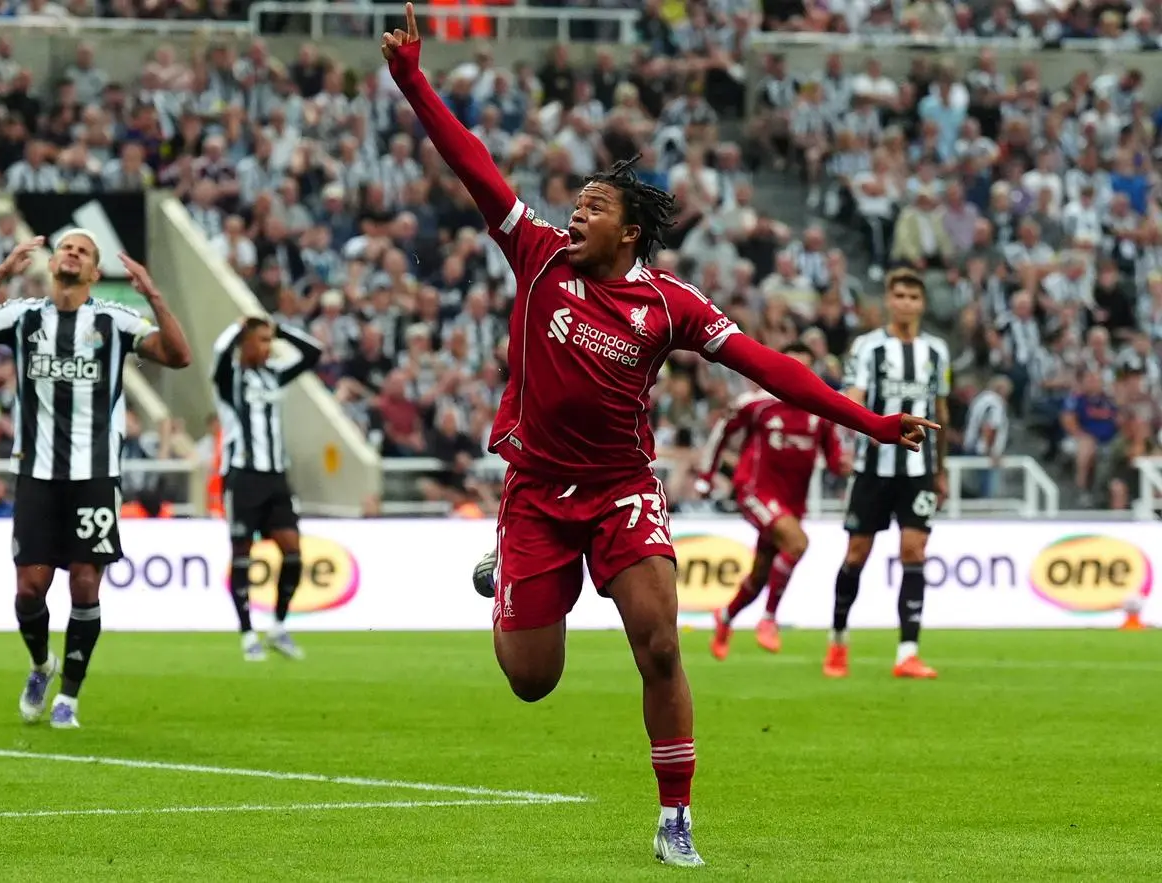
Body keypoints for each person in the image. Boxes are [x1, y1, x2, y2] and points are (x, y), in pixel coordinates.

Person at [382, 5, 936, 867]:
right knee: (531, 680)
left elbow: (768, 367)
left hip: (621, 491)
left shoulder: (669, 303)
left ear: (629, 231)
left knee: (663, 643)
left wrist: (867, 420)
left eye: (593, 207)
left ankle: (675, 816)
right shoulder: (536, 253)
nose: (574, 214)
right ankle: (509, 571)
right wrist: (414, 80)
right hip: (537, 492)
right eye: (575, 203)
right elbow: (474, 165)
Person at [0, 230, 191, 729]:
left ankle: (70, 697)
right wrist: (0, 273)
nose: (73, 252)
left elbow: (178, 355)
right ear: (53, 261)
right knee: (29, 589)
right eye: (66, 247)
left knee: (84, 584)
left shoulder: (116, 320)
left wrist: (153, 294)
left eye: (84, 251)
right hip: (36, 473)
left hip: (94, 474)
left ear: (94, 273)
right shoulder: (22, 315)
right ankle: (42, 665)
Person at [827, 269, 951, 681]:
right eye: (899, 295)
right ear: (888, 300)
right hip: (873, 468)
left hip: (919, 469)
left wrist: (942, 469)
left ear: (922, 304)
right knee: (856, 554)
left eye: (913, 297)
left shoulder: (937, 351)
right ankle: (838, 640)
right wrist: (861, 431)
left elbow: (941, 412)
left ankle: (908, 653)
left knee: (914, 550)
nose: (906, 303)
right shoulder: (868, 347)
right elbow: (853, 398)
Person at [695, 342, 850, 659]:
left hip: (793, 503)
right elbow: (722, 431)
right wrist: (706, 476)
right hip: (756, 491)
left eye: (804, 368)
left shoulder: (820, 411)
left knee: (760, 573)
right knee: (797, 543)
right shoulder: (757, 404)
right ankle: (768, 619)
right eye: (791, 366)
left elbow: (834, 458)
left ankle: (725, 617)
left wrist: (844, 465)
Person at [211, 316, 322, 661]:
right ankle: (247, 634)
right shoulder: (229, 379)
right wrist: (237, 326)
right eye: (260, 340)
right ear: (244, 344)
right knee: (242, 554)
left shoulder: (274, 374)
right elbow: (218, 353)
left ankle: (277, 626)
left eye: (269, 340)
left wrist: (281, 329)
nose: (268, 347)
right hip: (242, 476)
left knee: (293, 551)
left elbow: (313, 353)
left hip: (275, 476)